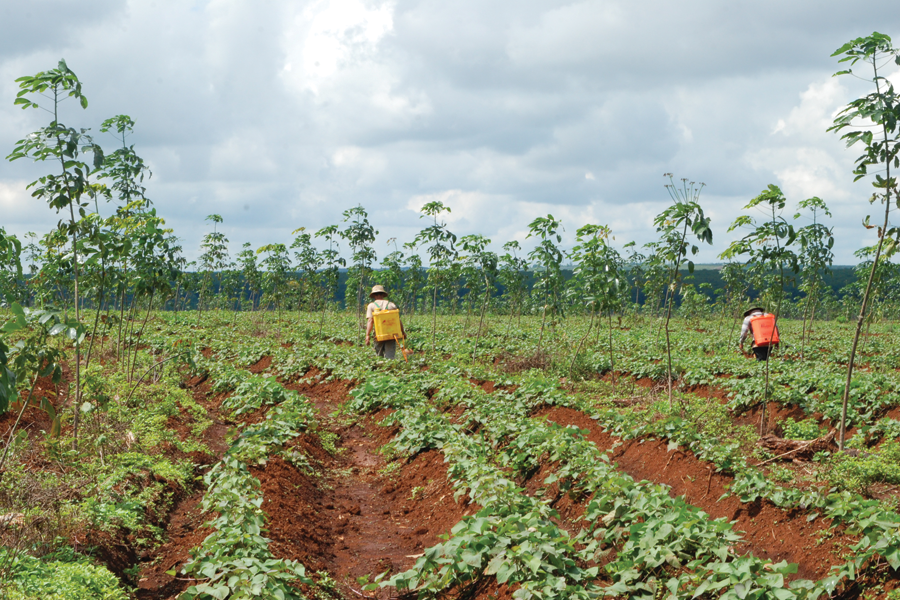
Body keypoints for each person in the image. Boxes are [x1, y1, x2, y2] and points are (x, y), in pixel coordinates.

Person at [364, 285, 405, 359]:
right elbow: (398, 320)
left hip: (378, 334)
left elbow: (370, 321)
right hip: (391, 333)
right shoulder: (391, 305)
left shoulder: (372, 306)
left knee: (379, 355)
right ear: (383, 294)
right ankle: (389, 367)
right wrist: (403, 332)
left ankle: (381, 368)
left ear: (373, 295)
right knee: (390, 355)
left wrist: (367, 335)